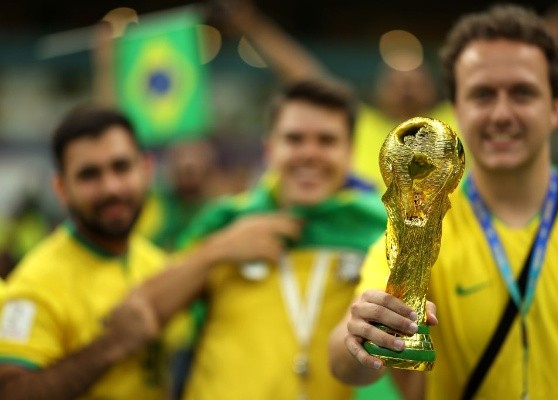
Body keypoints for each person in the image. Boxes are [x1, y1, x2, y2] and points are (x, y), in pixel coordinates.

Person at [328, 4, 558, 400]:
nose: (502, 114)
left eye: (522, 93)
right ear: (457, 109)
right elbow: (343, 362)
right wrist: (360, 337)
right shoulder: (417, 229)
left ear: (555, 107)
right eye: (482, 95)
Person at [0, 104, 289, 399]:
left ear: (146, 169)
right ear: (62, 188)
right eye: (90, 175)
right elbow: (11, 392)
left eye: (121, 167)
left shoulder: (152, 262)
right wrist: (110, 345)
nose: (111, 187)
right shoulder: (34, 285)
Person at [173, 79, 388, 399]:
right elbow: (152, 311)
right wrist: (217, 250)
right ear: (269, 148)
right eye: (294, 139)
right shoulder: (225, 221)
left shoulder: (380, 231)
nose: (309, 154)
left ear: (350, 152)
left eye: (326, 140)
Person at [215, 0, 442, 194]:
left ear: (433, 87)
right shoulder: (360, 122)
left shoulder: (452, 124)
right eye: (396, 82)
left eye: (416, 82)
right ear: (379, 90)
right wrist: (250, 23)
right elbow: (302, 73)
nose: (406, 89)